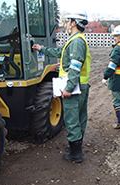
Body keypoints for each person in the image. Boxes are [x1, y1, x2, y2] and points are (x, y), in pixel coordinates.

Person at [32, 12, 91, 163]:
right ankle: (75, 147)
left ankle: (76, 155)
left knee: (72, 120)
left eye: (68, 21)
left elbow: (75, 66)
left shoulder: (77, 42)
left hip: (75, 87)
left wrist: (69, 88)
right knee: (79, 118)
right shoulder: (75, 40)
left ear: (73, 23)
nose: (66, 24)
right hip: (81, 86)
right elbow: (60, 52)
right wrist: (42, 49)